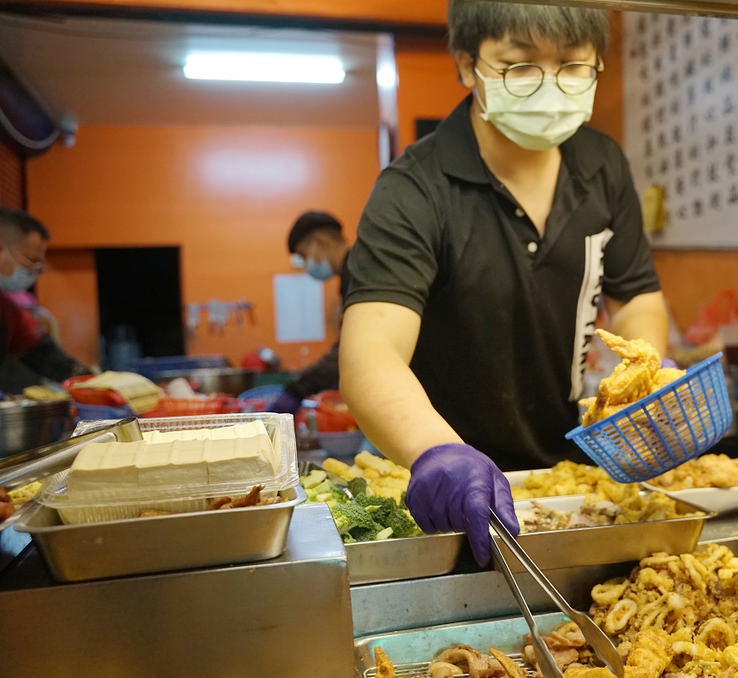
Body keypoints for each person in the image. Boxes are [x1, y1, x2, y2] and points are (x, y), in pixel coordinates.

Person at [339, 0, 669, 564]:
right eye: (520, 65)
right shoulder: (414, 188)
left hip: (568, 483)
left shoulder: (602, 164)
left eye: (572, 66)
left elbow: (636, 295)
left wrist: (641, 383)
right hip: (442, 483)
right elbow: (371, 352)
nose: (549, 86)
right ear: (468, 66)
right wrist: (435, 450)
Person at [267, 211, 350, 414]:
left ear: (319, 241)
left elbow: (350, 349)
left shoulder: (363, 271)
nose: (305, 266)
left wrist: (297, 390)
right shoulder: (350, 277)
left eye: (304, 256)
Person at [0, 208, 91, 393]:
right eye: (31, 261)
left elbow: (43, 354)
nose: (36, 271)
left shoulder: (7, 308)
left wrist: (90, 381)